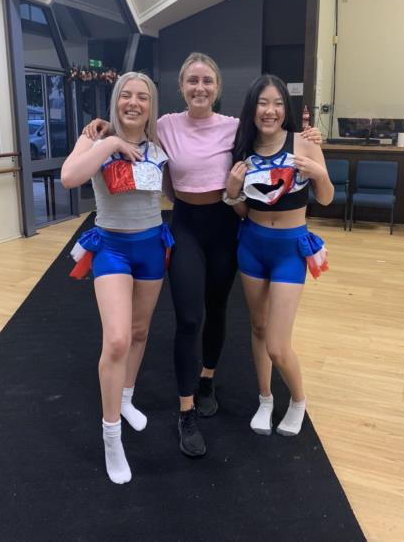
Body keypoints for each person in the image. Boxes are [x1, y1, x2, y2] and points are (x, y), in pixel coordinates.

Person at [83, 54, 322, 457]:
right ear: (181, 87)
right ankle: (186, 409)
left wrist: (308, 137)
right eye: (192, 80)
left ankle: (207, 377)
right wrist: (102, 127)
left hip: (225, 224)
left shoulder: (234, 127)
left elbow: (271, 134)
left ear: (217, 87)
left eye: (207, 81)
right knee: (189, 317)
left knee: (217, 308)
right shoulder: (165, 125)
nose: (200, 87)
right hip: (187, 226)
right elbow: (133, 125)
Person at [61, 72, 172, 484]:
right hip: (111, 248)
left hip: (152, 246)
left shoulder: (159, 145)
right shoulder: (94, 138)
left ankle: (126, 398)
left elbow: (176, 187)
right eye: (126, 95)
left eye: (143, 96)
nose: (133, 102)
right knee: (118, 340)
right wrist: (109, 144)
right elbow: (69, 177)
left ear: (151, 105)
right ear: (115, 101)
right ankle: (111, 436)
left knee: (140, 332)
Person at [224, 74, 333, 437]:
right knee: (257, 327)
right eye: (262, 103)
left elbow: (327, 198)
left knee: (277, 344)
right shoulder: (243, 148)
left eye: (277, 103)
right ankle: (266, 398)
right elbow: (242, 210)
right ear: (252, 108)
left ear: (286, 108)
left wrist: (319, 173)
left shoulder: (304, 143)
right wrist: (233, 192)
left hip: (290, 249)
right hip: (252, 245)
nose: (269, 111)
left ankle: (299, 400)